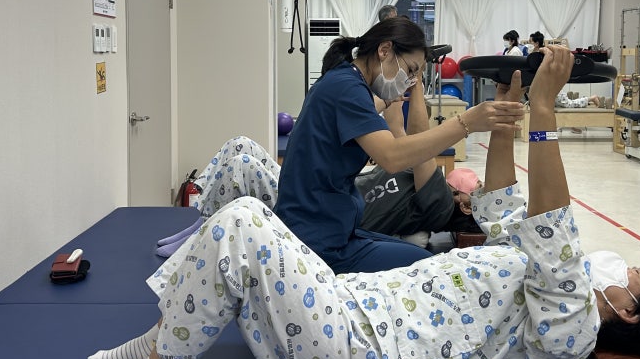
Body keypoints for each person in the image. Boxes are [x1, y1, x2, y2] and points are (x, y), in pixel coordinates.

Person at [63, 46, 640, 359]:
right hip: (354, 311)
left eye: (637, 276)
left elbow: (553, 224)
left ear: (629, 309)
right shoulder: (545, 279)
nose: (621, 266)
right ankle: (163, 336)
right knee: (244, 212)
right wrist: (508, 120)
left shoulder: (573, 328)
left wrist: (545, 112)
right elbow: (507, 206)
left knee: (243, 224)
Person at [272, 16, 520, 274]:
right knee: (430, 268)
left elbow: (390, 126)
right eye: (410, 70)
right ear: (384, 50)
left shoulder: (344, 81)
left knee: (421, 256)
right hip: (317, 238)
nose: (410, 80)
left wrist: (396, 96)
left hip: (330, 226)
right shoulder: (346, 87)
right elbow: (392, 156)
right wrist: (466, 122)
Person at [153, 97, 484, 258]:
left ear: (465, 205)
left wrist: (420, 82)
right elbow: (398, 125)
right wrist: (400, 87)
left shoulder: (439, 202)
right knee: (241, 144)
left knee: (242, 165)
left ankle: (199, 240)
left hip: (319, 209)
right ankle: (201, 220)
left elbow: (422, 134)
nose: (477, 182)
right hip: (321, 189)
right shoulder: (408, 165)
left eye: (477, 188)